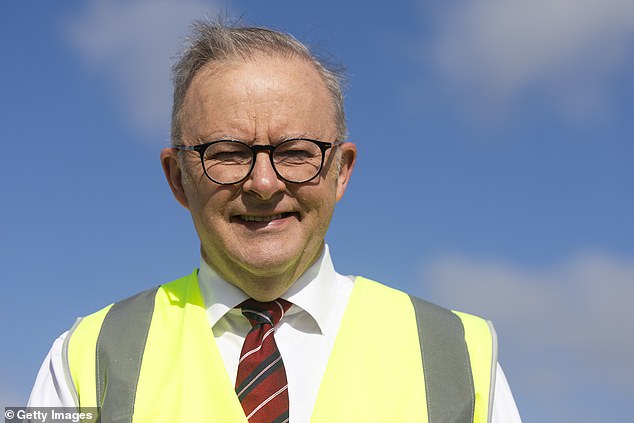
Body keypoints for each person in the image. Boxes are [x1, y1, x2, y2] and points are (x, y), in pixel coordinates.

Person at [29, 21, 521, 423]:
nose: (263, 183)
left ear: (340, 171)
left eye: (295, 152)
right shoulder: (83, 360)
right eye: (227, 153)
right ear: (177, 178)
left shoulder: (463, 359)